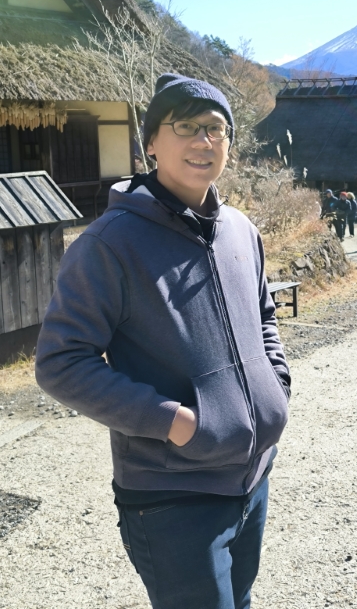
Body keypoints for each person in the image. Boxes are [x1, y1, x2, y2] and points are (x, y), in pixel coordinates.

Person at [35, 74, 291, 609]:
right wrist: (175, 422)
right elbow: (62, 362)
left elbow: (264, 316)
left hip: (252, 478)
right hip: (171, 495)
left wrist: (276, 382)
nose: (204, 141)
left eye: (216, 129)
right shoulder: (109, 244)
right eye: (187, 127)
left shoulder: (240, 230)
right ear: (151, 142)